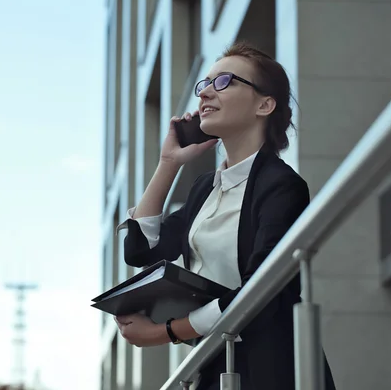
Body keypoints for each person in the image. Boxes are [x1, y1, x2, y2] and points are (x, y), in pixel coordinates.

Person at [114, 42, 336, 390]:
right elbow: (140, 251)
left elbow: (262, 290)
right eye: (205, 84)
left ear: (265, 104)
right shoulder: (206, 188)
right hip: (216, 366)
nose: (205, 94)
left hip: (271, 369)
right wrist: (168, 164)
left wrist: (165, 332)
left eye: (225, 82)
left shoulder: (282, 186)